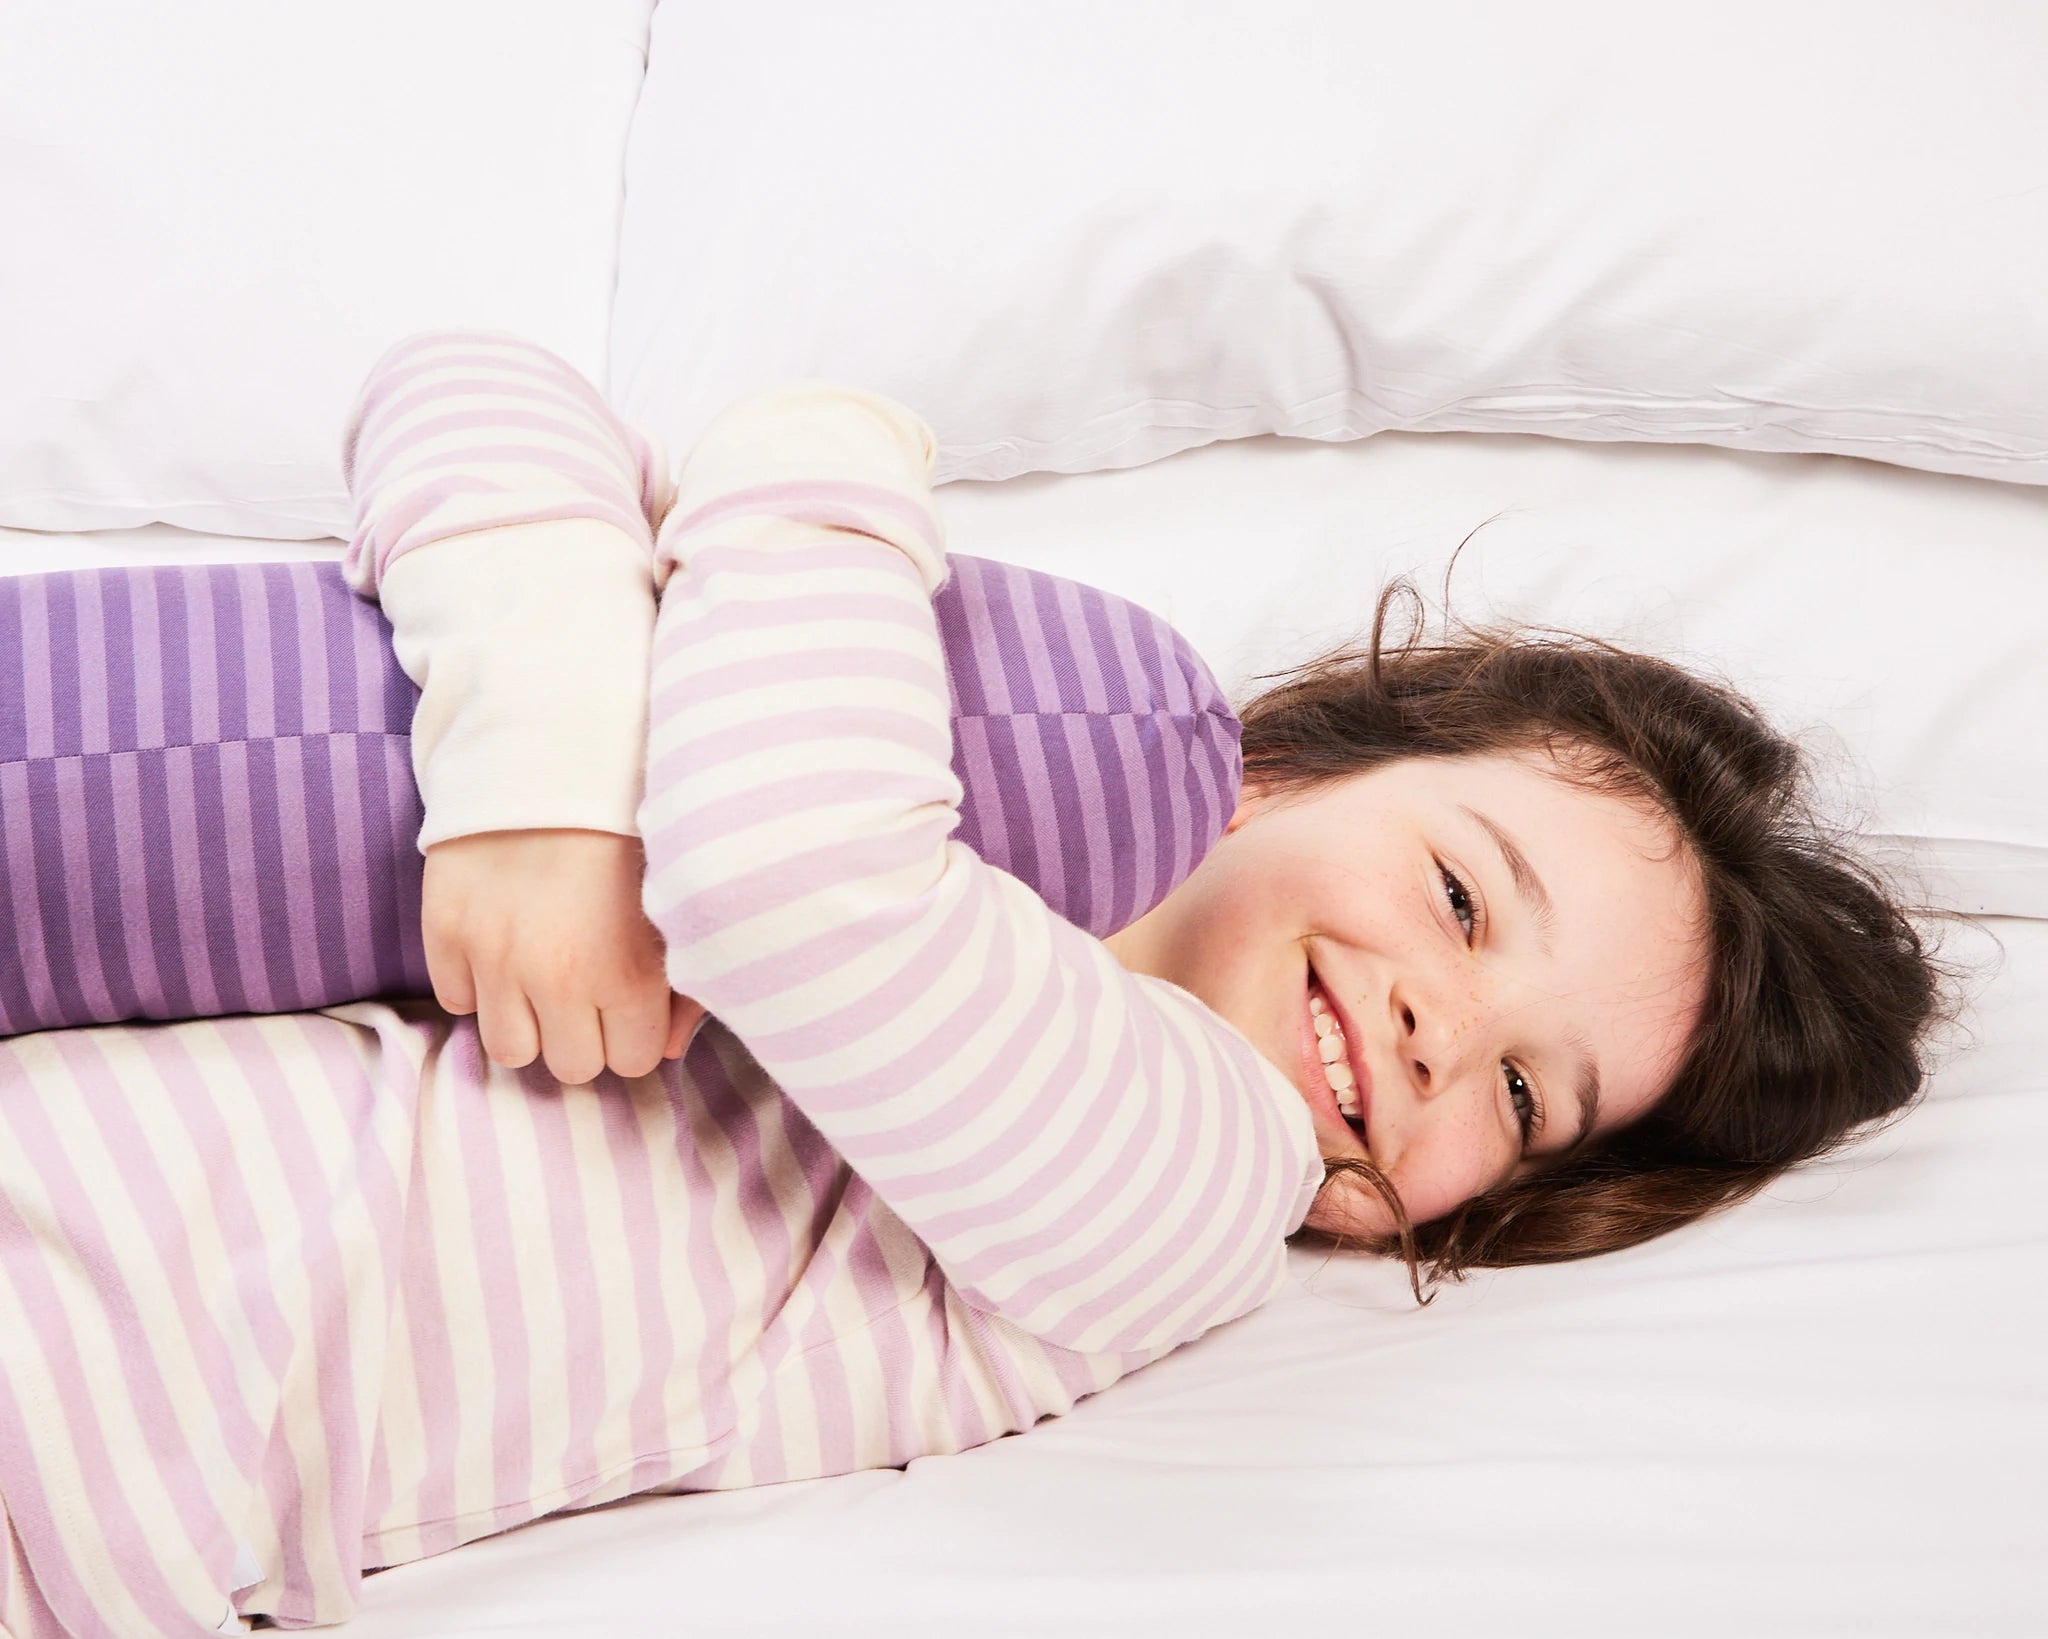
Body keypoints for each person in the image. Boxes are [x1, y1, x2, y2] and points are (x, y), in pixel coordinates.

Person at [0, 331, 1941, 1635]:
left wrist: (819, 456)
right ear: (1278, 767)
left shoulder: (1191, 1189)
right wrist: (544, 699)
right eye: (1457, 895)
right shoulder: (916, 727)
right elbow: (465, 391)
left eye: (1525, 1096)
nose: (1446, 1033)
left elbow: (787, 879)